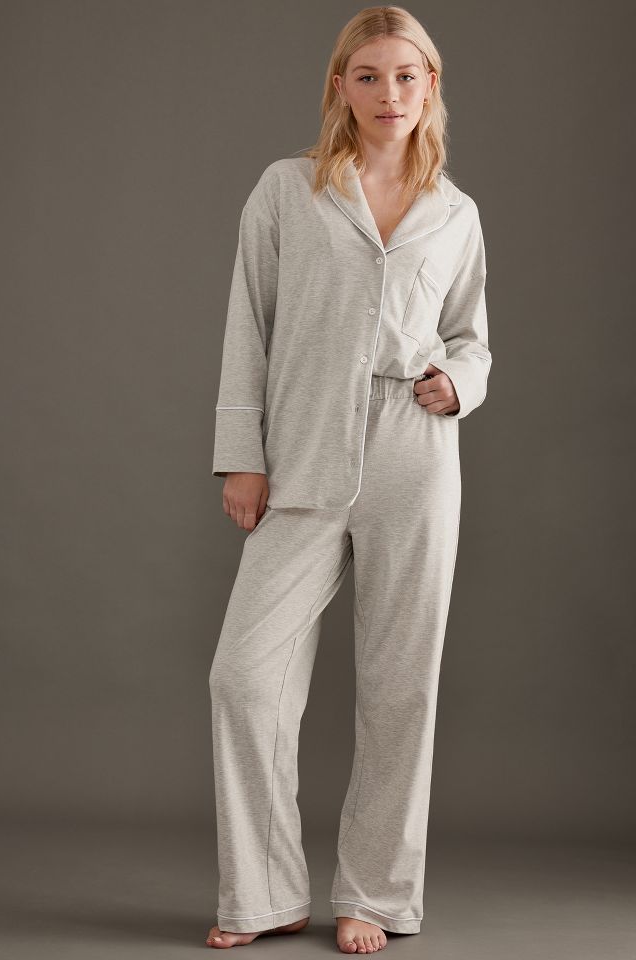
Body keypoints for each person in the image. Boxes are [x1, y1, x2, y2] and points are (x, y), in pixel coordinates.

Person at [206, 5, 492, 954]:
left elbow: (472, 336)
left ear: (430, 85)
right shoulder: (287, 191)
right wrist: (243, 455)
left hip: (416, 447)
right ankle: (264, 894)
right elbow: (249, 324)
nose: (388, 93)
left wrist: (461, 384)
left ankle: (374, 894)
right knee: (245, 677)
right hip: (303, 449)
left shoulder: (455, 213)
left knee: (402, 686)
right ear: (341, 86)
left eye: (406, 75)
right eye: (368, 75)